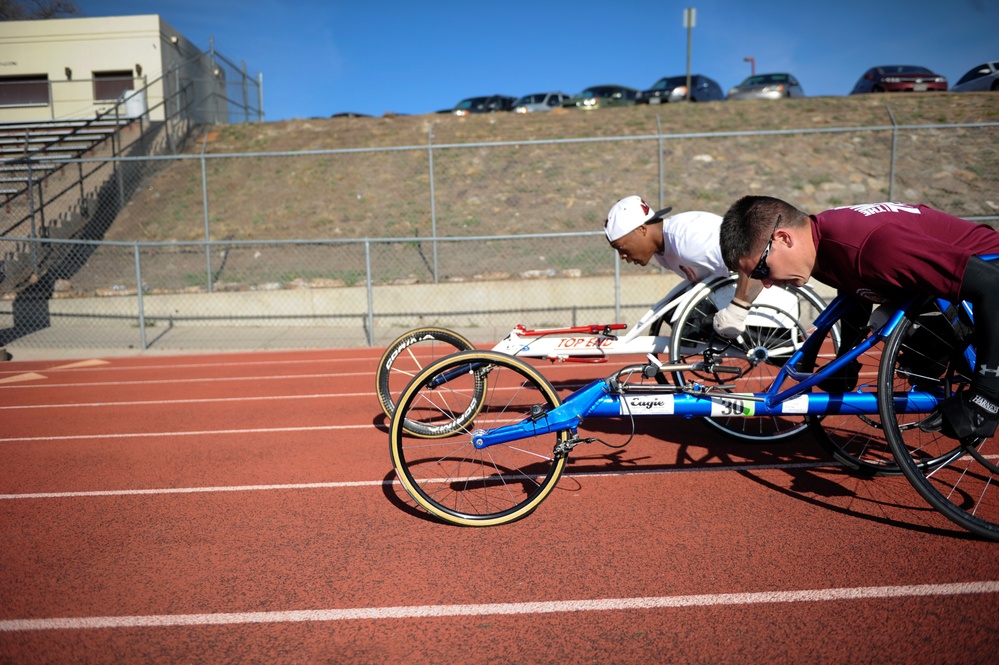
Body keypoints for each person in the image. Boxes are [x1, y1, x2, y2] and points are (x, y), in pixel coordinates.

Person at [718, 195, 999, 441]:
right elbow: (857, 293)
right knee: (919, 359)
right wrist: (846, 362)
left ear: (782, 238)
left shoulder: (872, 247)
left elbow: (993, 286)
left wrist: (986, 397)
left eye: (761, 270)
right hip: (956, 294)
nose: (765, 284)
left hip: (989, 276)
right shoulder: (822, 245)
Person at [604, 195, 762, 339]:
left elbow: (757, 262)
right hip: (731, 295)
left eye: (620, 247)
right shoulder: (663, 253)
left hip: (760, 300)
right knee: (673, 312)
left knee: (691, 318)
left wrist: (736, 312)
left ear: (641, 229)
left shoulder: (688, 240)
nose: (621, 256)